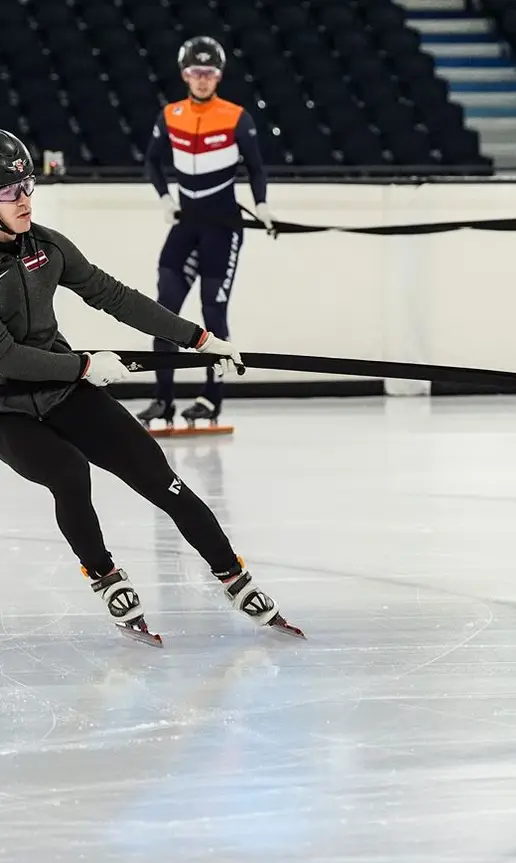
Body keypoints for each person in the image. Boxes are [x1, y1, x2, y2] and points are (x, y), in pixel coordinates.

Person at [0, 130, 301, 644]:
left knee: (159, 476)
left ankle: (232, 574)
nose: (25, 198)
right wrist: (83, 366)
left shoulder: (46, 246)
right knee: (69, 473)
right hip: (7, 408)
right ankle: (104, 574)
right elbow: (4, 356)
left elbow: (111, 294)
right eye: (9, 191)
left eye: (28, 185)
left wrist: (198, 338)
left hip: (65, 387)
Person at [140, 35, 276, 429]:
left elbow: (256, 167)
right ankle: (162, 400)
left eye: (209, 72)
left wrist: (263, 205)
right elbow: (151, 162)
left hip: (224, 228)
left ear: (219, 75)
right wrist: (166, 198)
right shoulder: (170, 114)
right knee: (162, 312)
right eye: (195, 72)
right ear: (185, 74)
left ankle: (211, 399)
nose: (202, 79)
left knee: (213, 312)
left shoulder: (236, 116)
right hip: (186, 227)